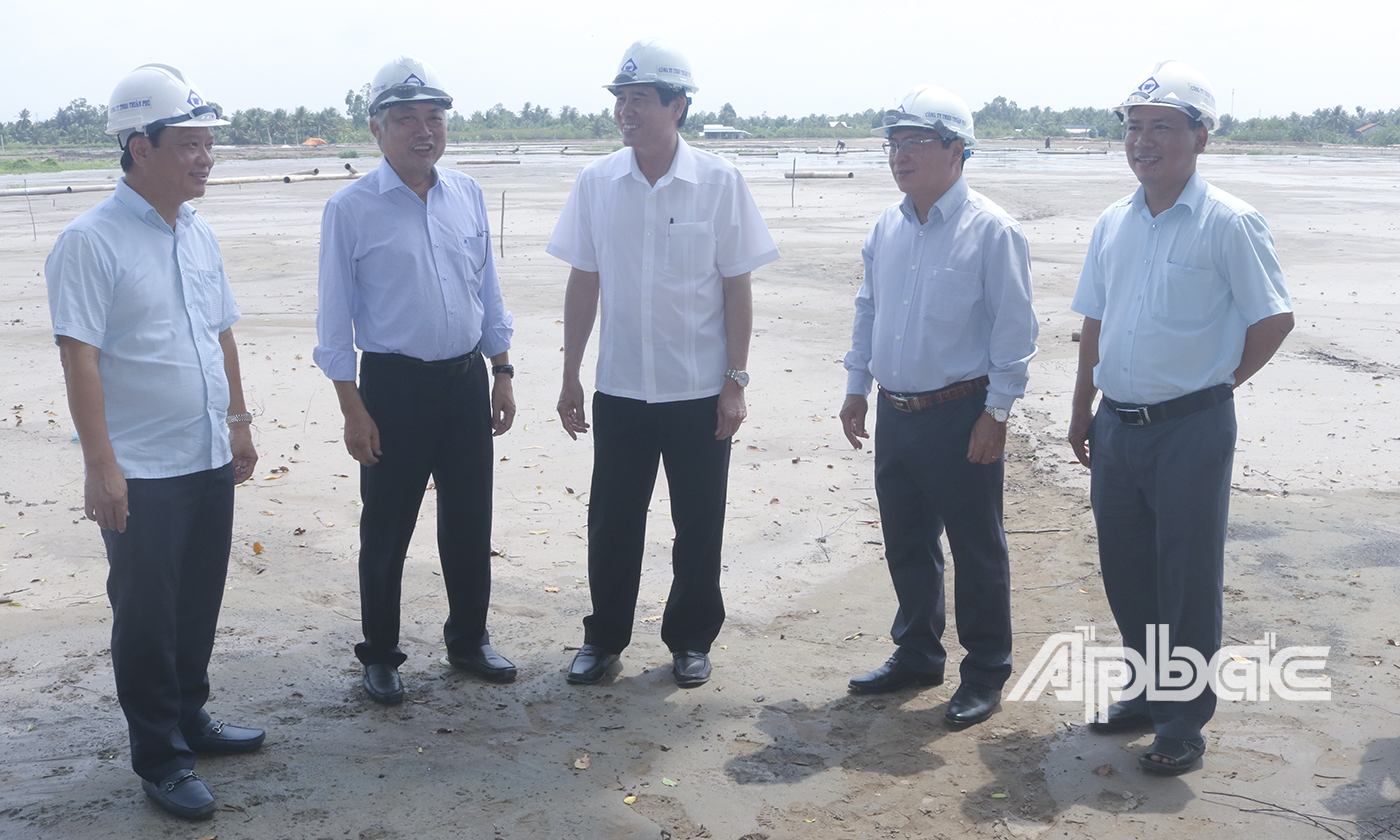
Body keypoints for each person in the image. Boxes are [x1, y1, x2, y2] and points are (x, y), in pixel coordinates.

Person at [45, 63, 263, 820]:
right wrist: (100, 467)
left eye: (210, 144)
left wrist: (238, 422)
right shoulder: (90, 241)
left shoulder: (197, 232)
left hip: (206, 453)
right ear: (139, 146)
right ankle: (162, 759)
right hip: (141, 468)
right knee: (145, 615)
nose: (205, 158)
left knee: (197, 603)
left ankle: (192, 719)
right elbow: (81, 358)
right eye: (189, 144)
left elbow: (221, 333)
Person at [1068, 60, 1293, 774]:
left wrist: (1215, 384)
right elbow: (1095, 321)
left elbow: (1273, 320)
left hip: (1192, 428)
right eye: (1134, 128)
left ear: (1201, 138)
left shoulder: (1229, 222)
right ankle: (1144, 691)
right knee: (1127, 569)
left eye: (1162, 127)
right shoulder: (1114, 222)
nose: (1144, 141)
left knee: (1185, 576)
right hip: (1117, 426)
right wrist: (1083, 409)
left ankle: (1181, 721)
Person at [548, 38, 779, 688]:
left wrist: (735, 380)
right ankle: (605, 640)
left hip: (699, 391)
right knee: (612, 522)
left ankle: (690, 640)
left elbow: (737, 284)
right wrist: (570, 374)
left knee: (698, 524)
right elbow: (583, 282)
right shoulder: (597, 184)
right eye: (621, 99)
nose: (627, 110)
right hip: (620, 390)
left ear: (677, 106)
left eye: (641, 99)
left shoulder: (719, 182)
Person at [314, 56, 517, 705]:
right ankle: (379, 654)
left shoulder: (468, 195)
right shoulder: (350, 209)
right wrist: (353, 407)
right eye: (405, 118)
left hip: (464, 384)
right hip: (392, 390)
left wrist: (502, 371)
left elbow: (487, 289)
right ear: (377, 128)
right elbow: (332, 320)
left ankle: (468, 639)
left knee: (468, 520)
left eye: (434, 117)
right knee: (388, 528)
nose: (423, 130)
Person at [840, 84, 1038, 726]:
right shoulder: (887, 226)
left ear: (957, 149)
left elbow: (1015, 330)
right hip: (898, 411)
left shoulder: (992, 230)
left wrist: (998, 412)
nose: (900, 155)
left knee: (977, 546)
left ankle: (984, 670)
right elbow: (868, 308)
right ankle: (917, 653)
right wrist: (856, 386)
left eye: (915, 141)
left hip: (962, 410)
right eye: (894, 143)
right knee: (907, 539)